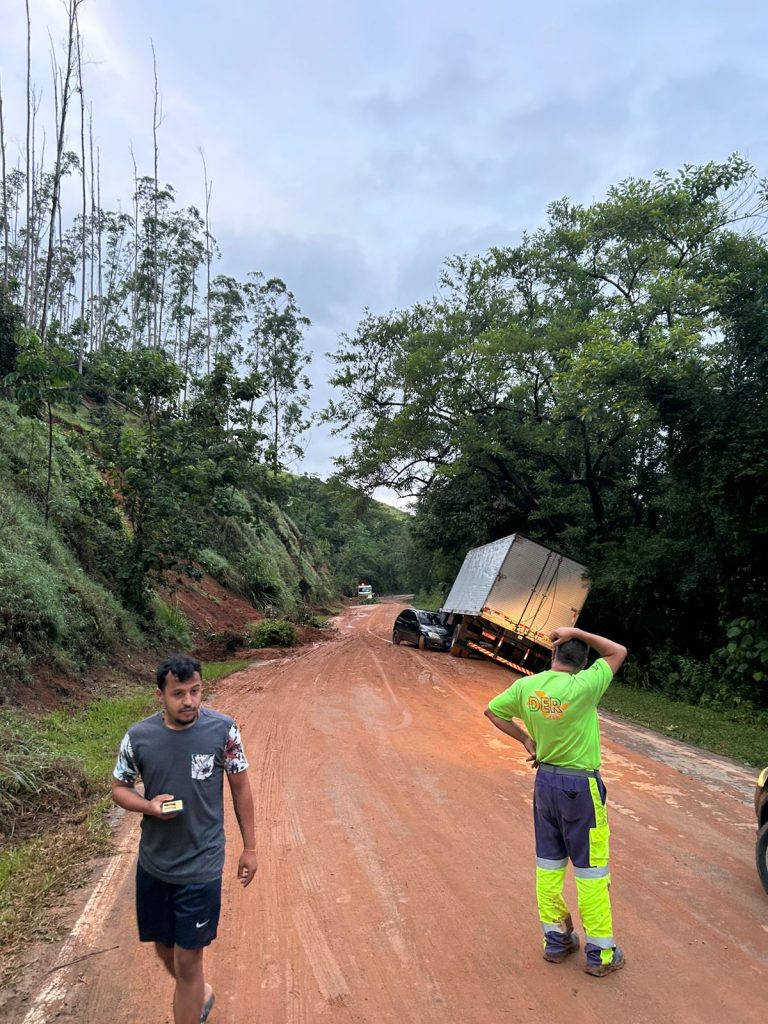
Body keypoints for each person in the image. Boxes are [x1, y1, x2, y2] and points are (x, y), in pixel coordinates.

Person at [112, 654, 257, 1024]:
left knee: (188, 960)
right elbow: (119, 788)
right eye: (179, 693)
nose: (189, 701)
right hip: (155, 864)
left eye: (195, 691)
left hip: (201, 865)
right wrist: (148, 806)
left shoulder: (223, 730)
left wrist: (250, 848)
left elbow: (241, 789)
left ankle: (191, 1003)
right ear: (160, 694)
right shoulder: (138, 737)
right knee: (164, 949)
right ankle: (200, 992)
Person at [484, 626, 628, 977]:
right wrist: (577, 631)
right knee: (591, 870)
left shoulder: (527, 687)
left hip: (545, 783)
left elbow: (492, 711)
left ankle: (557, 940)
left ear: (553, 656)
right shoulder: (584, 686)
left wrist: (525, 740)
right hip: (580, 788)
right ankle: (601, 955)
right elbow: (618, 651)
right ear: (582, 663)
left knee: (549, 865)